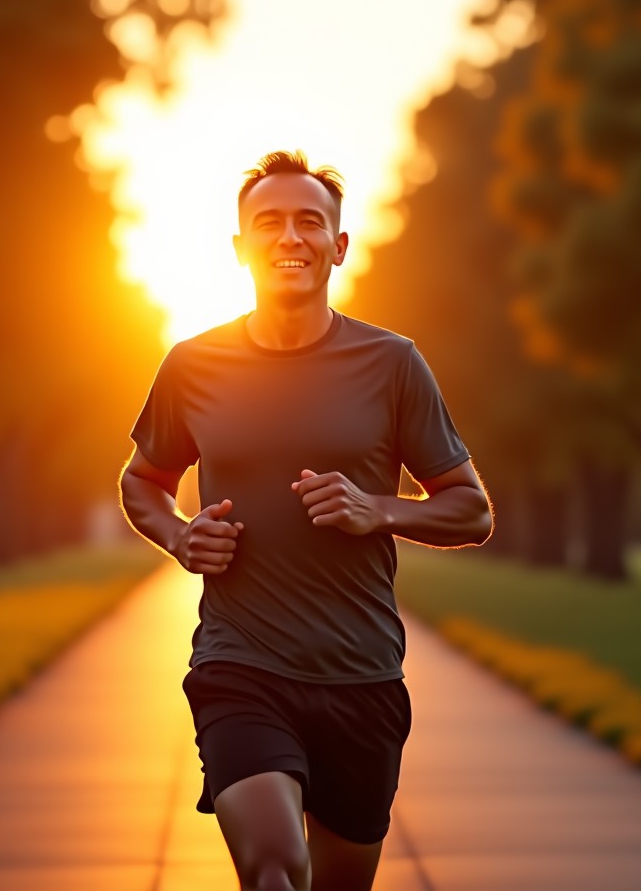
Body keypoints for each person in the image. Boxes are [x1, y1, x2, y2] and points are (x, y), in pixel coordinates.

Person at [119, 149, 492, 891]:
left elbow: (471, 508)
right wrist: (178, 534)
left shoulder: (392, 364)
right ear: (240, 247)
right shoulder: (194, 365)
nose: (289, 236)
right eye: (269, 222)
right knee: (273, 868)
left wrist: (377, 509)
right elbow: (144, 481)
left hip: (363, 675)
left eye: (309, 222)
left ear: (338, 245)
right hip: (240, 664)